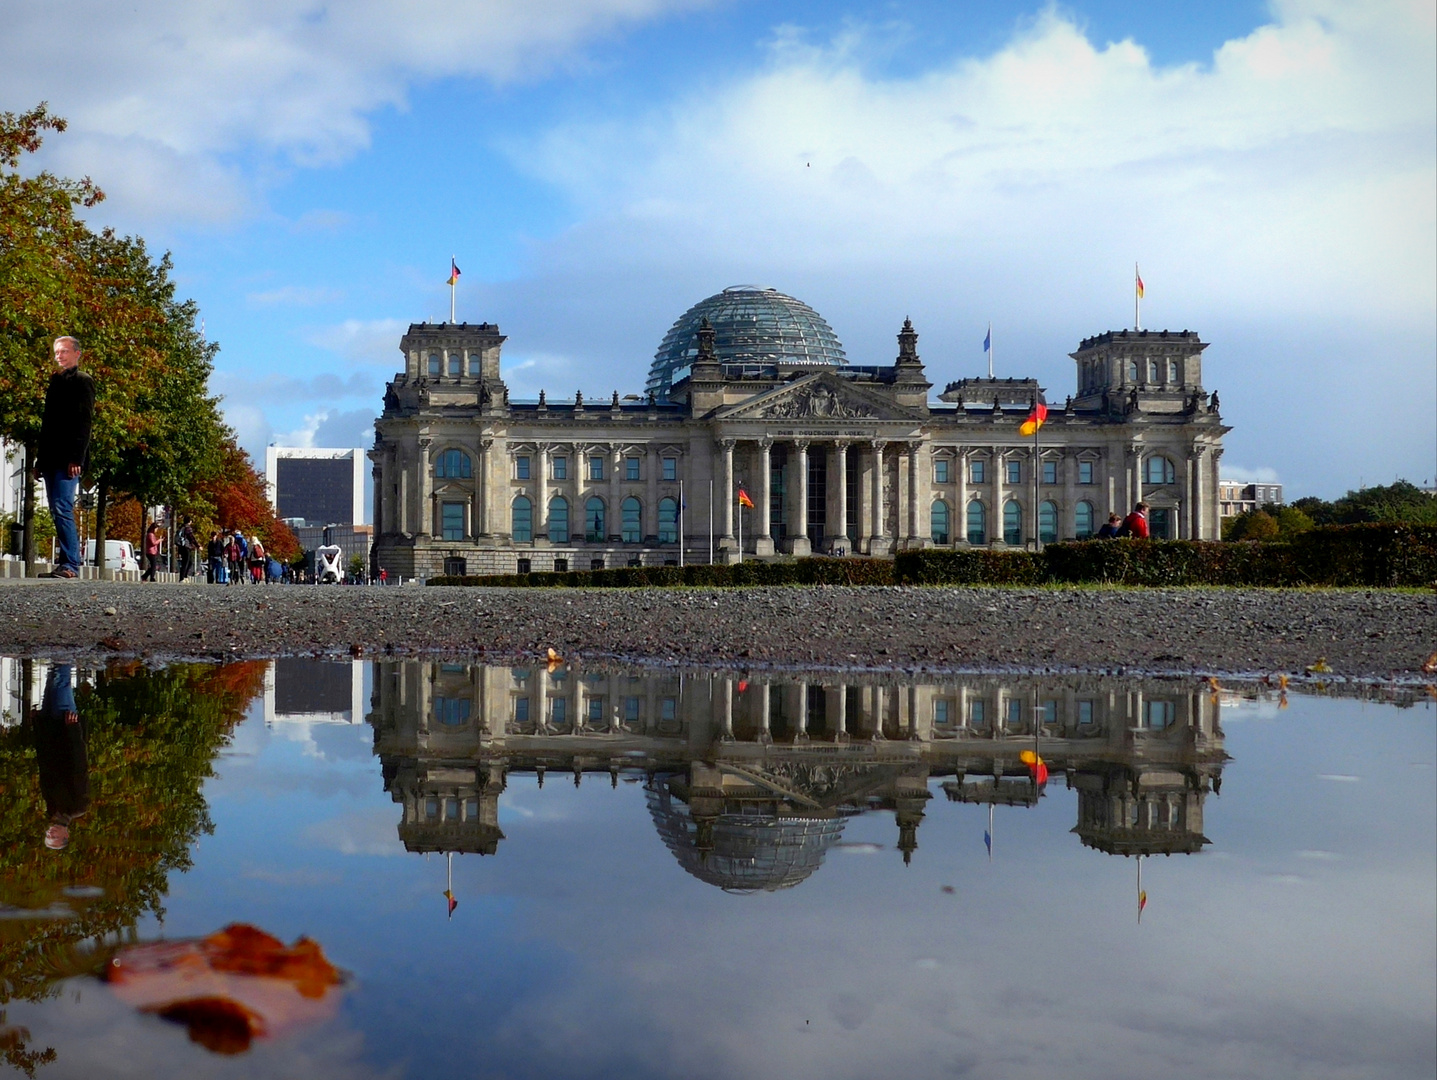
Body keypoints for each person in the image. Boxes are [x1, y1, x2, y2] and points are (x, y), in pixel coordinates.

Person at [35, 336, 94, 579]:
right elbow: (47, 424)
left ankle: (71, 564)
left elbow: (84, 422)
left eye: (65, 351)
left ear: (77, 354)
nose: (59, 356)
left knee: (62, 508)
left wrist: (76, 459)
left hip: (68, 459)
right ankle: (65, 563)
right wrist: (39, 461)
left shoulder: (83, 382)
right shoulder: (55, 382)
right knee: (56, 509)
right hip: (51, 457)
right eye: (57, 352)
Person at [32, 664, 89, 851]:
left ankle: (59, 652)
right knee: (61, 681)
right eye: (54, 837)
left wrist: (37, 726)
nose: (50, 833)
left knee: (51, 682)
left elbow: (44, 763)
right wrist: (73, 730)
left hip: (49, 730)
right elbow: (79, 765)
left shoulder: (51, 808)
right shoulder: (77, 807)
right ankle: (65, 648)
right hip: (64, 730)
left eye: (48, 836)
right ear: (66, 835)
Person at [176, 517, 198, 581]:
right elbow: (191, 537)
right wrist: (197, 545)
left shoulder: (181, 527)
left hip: (181, 546)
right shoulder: (188, 528)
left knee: (190, 562)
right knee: (185, 563)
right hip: (186, 546)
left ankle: (185, 576)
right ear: (189, 521)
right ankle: (182, 578)